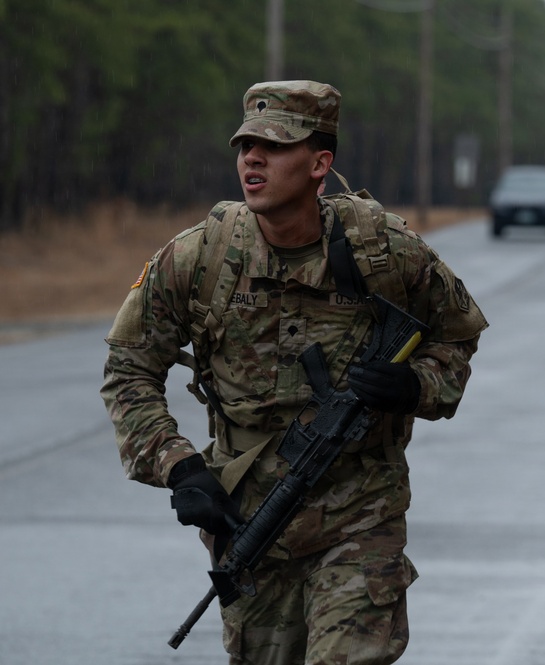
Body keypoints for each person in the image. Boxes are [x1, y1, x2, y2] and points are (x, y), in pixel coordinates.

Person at [101, 80, 488, 664]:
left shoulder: (382, 250)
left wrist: (417, 385)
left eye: (274, 147)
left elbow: (456, 333)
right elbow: (128, 368)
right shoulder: (199, 256)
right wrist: (178, 466)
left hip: (361, 514)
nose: (252, 159)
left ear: (319, 163)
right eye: (244, 146)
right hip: (250, 522)